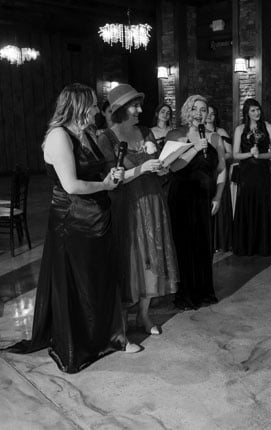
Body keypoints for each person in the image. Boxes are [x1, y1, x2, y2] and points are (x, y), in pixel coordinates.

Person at [3, 83, 140, 373]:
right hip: (73, 219)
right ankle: (78, 343)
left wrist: (114, 175)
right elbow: (71, 185)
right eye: (91, 105)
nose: (96, 110)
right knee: (79, 282)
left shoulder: (88, 133)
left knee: (102, 278)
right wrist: (104, 185)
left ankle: (112, 336)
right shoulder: (58, 136)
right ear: (78, 107)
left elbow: (98, 173)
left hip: (99, 216)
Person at [96, 84, 178, 335]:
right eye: (135, 105)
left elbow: (158, 164)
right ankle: (121, 321)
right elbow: (112, 179)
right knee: (129, 259)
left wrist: (163, 168)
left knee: (152, 256)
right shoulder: (106, 138)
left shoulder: (145, 132)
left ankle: (144, 315)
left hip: (152, 201)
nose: (141, 109)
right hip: (126, 206)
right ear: (120, 109)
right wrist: (142, 168)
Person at [165, 95, 226, 310]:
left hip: (204, 199)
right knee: (184, 245)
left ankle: (203, 291)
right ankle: (185, 293)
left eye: (203, 110)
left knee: (203, 245)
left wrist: (218, 196)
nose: (199, 113)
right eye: (196, 109)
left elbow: (221, 170)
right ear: (187, 111)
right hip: (181, 197)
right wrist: (195, 148)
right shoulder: (176, 134)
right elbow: (172, 167)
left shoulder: (215, 137)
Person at [231, 98, 271, 256]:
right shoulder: (240, 129)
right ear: (247, 112)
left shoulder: (268, 127)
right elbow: (235, 154)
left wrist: (261, 156)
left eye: (258, 109)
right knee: (245, 204)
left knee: (262, 204)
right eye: (253, 110)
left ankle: (263, 245)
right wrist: (249, 154)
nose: (256, 113)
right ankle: (245, 245)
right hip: (246, 173)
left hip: (262, 172)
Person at [207, 104, 233, 253]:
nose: (210, 116)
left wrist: (218, 159)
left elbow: (230, 153)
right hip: (206, 173)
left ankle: (222, 241)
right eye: (207, 113)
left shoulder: (220, 131)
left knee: (220, 206)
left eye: (212, 113)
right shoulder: (198, 133)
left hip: (219, 170)